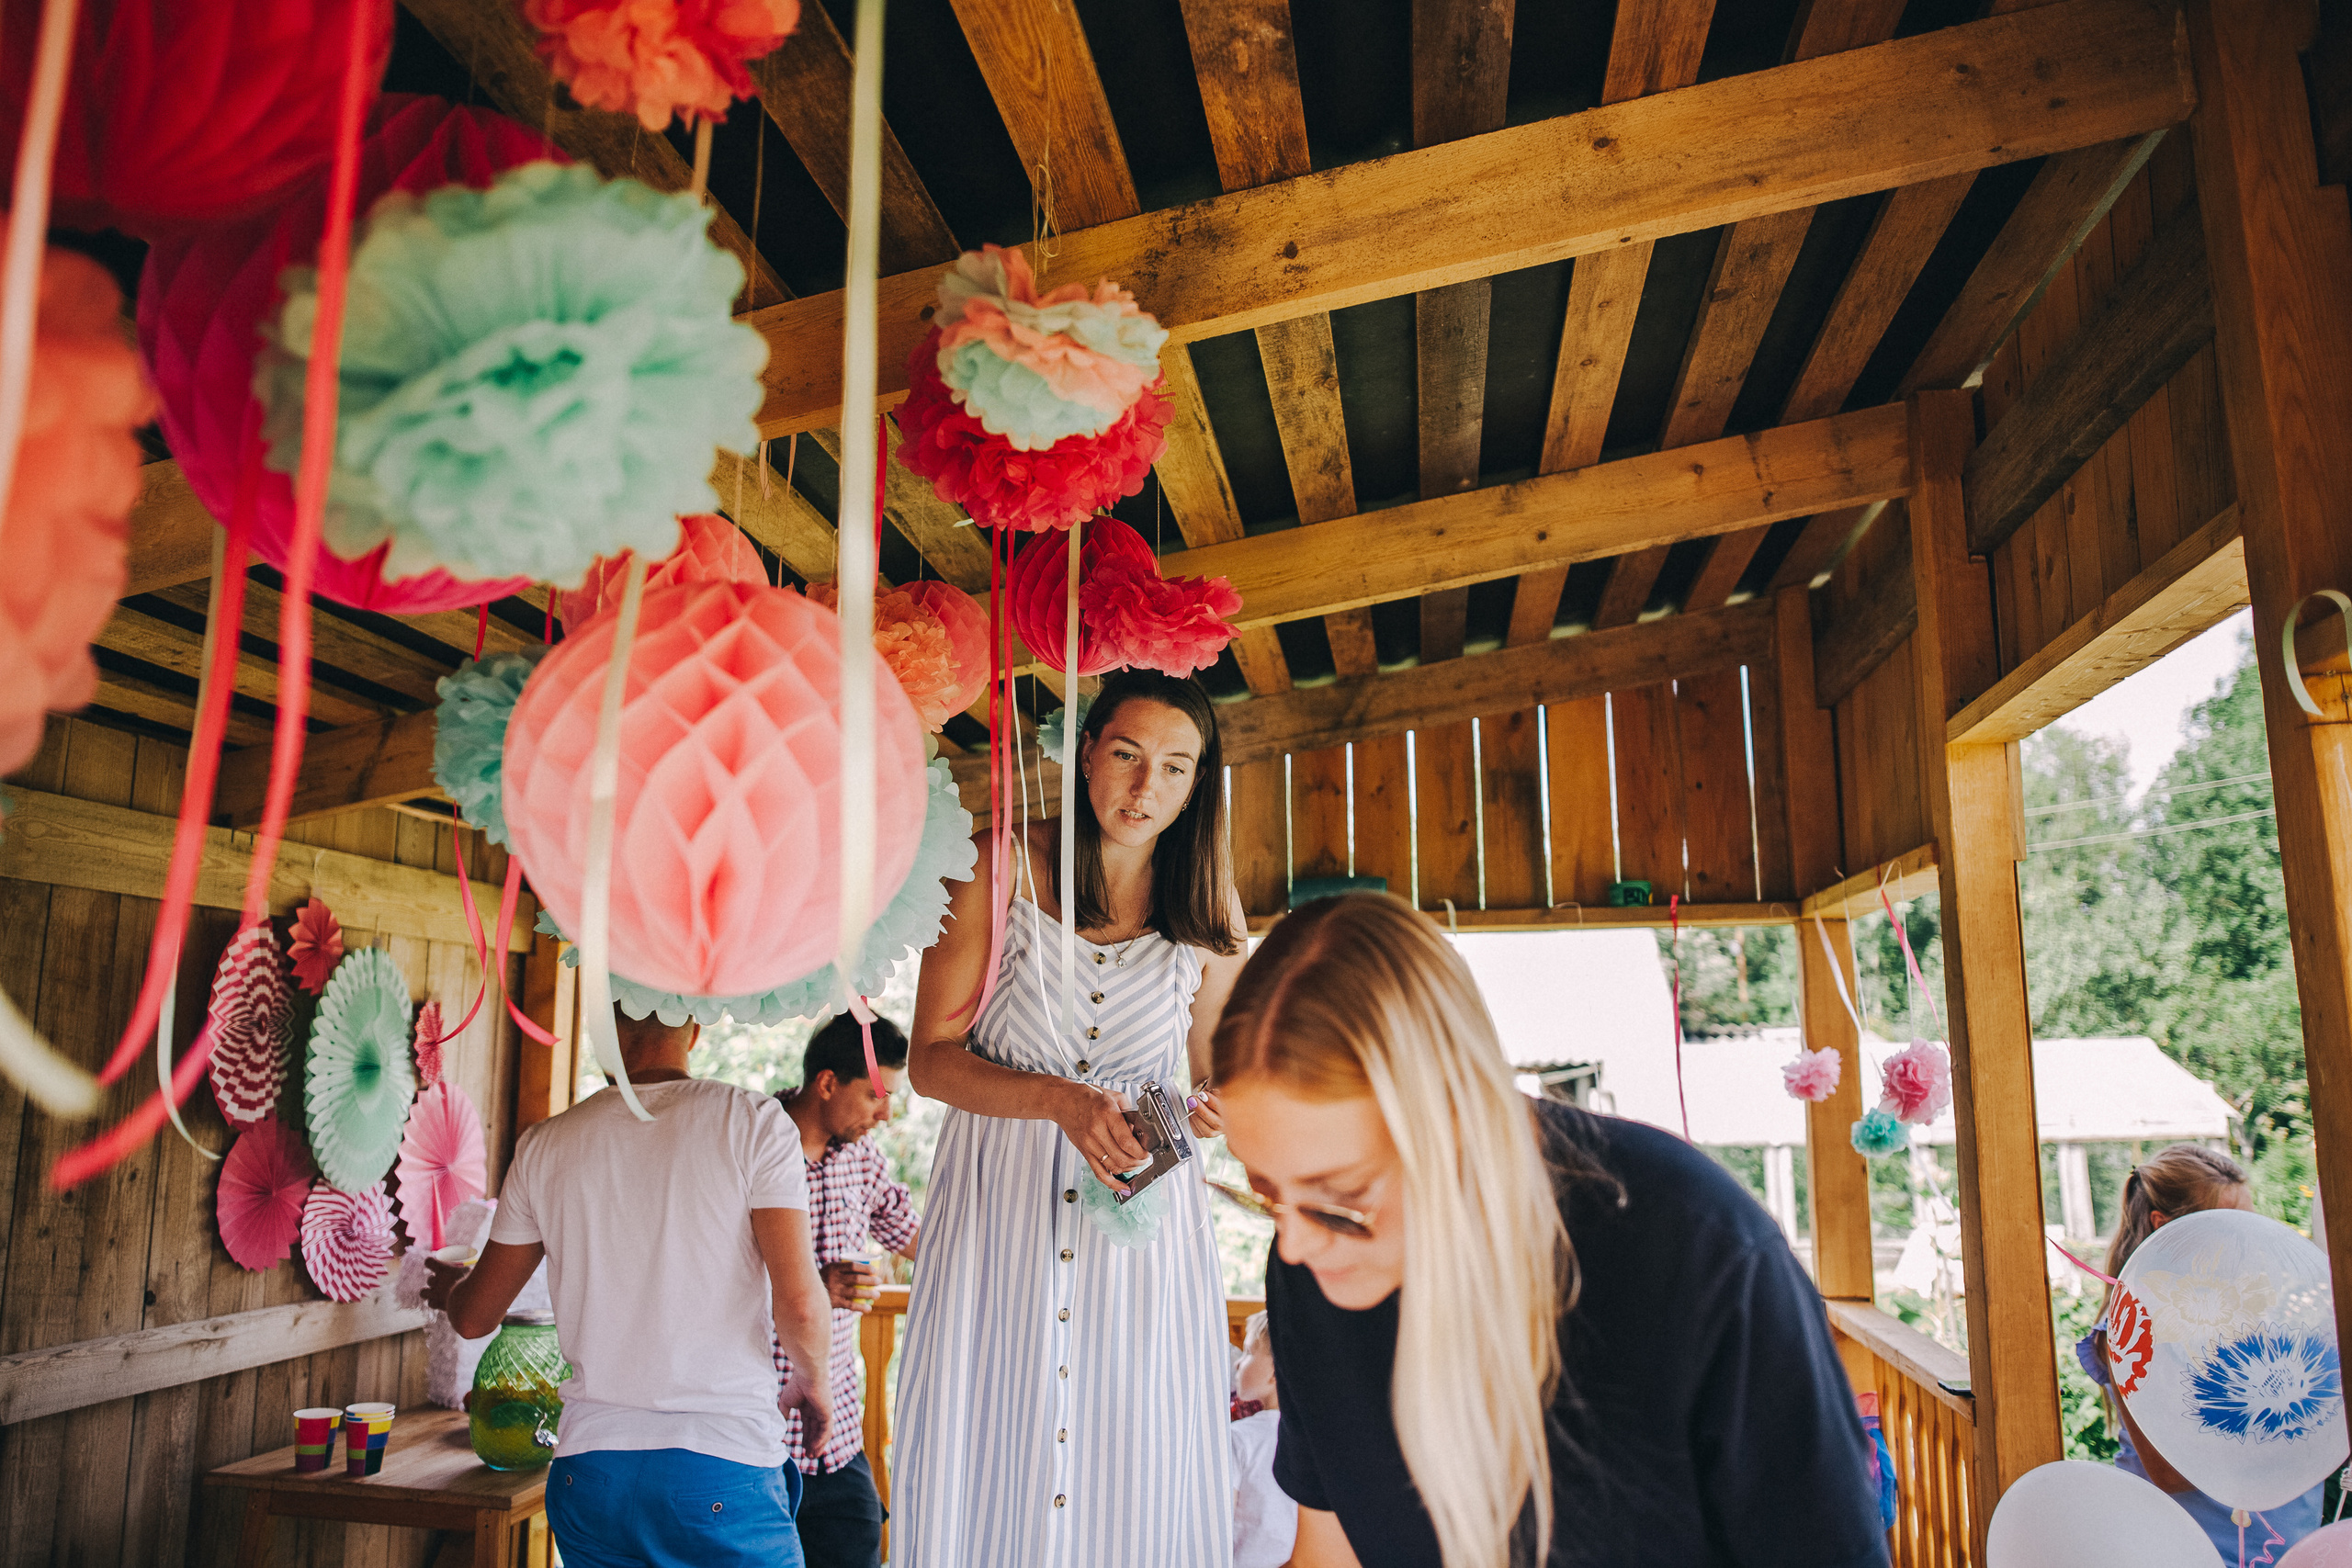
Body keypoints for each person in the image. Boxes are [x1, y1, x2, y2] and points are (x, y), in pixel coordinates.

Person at [1212, 893, 1890, 1568]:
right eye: (1266, 1193)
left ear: (1458, 1120)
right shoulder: (1309, 1272)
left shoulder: (1701, 1256)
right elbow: (1329, 1555)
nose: (1294, 1244)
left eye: (1341, 1202)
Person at [892, 669, 1247, 1567]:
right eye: (1126, 754)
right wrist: (1060, 1100)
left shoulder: (1209, 909)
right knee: (993, 1435)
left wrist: (1216, 1106)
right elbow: (930, 1060)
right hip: (996, 1225)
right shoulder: (998, 865)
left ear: (1197, 783)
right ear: (1085, 752)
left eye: (1174, 767)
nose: (1145, 787)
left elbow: (1223, 1074)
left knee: (1130, 1453)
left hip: (1139, 1239)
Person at [427, 1006, 831, 1568]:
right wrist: (814, 1380)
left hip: (592, 1473)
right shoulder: (755, 1122)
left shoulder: (545, 1143)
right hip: (720, 1461)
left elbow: (473, 1317)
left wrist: (455, 1286)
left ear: (600, 1031)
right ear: (694, 1028)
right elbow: (802, 1307)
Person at [2080, 1144, 2327, 1554]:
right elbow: (2169, 1472)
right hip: (2196, 1549)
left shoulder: (2238, 1307)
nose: (2251, 1244)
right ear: (2165, 1229)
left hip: (2283, 1545)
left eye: (2251, 1225)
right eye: (2229, 1229)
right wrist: (2298, 1439)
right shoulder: (2133, 1327)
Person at [772, 1011, 922, 1568]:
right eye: (876, 1096)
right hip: (755, 1443)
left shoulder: (861, 1158)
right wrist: (815, 1286)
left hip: (836, 1445)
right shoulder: (752, 1145)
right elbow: (705, 1275)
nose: (886, 1115)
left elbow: (917, 1237)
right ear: (828, 1083)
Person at [1229, 1311, 1296, 1568]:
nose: (1238, 1363)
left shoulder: (1238, 1439)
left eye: (1247, 1352)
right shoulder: (1321, 1445)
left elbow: (1217, 1528)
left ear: (1275, 1371)